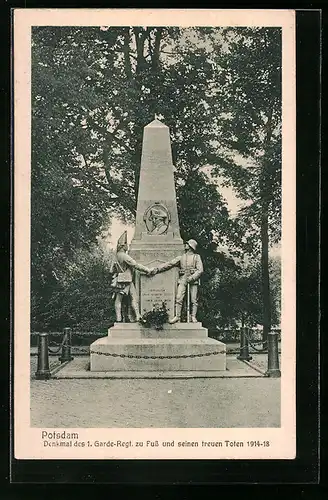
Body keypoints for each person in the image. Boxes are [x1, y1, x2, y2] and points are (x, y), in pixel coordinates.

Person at [151, 239, 203, 323]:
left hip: (193, 281)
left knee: (193, 300)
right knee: (179, 298)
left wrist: (192, 277)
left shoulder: (197, 257)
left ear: (190, 247)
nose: (185, 245)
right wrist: (157, 269)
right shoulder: (182, 257)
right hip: (183, 279)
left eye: (187, 244)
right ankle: (177, 316)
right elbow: (169, 264)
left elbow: (200, 270)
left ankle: (193, 316)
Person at [110, 231, 151, 322]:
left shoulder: (115, 256)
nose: (127, 246)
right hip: (126, 280)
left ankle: (120, 318)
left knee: (118, 300)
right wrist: (147, 270)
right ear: (123, 246)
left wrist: (118, 271)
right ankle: (136, 316)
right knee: (133, 297)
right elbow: (135, 265)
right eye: (126, 244)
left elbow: (111, 270)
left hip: (119, 279)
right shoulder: (124, 256)